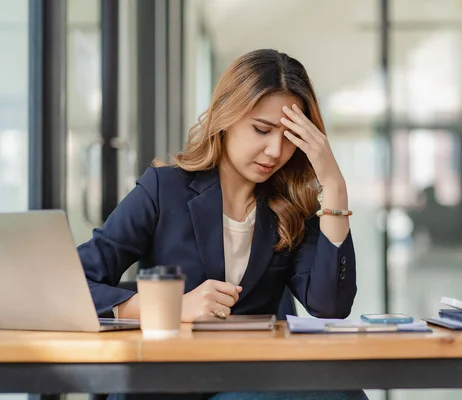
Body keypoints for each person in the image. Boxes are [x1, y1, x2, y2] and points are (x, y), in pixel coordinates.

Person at [78, 49, 366, 400]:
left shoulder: (290, 206)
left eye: (290, 137)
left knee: (342, 393)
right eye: (262, 129)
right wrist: (170, 307)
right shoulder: (164, 190)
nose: (275, 150)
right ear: (226, 117)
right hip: (167, 385)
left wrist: (334, 187)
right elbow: (74, 286)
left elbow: (330, 307)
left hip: (248, 383)